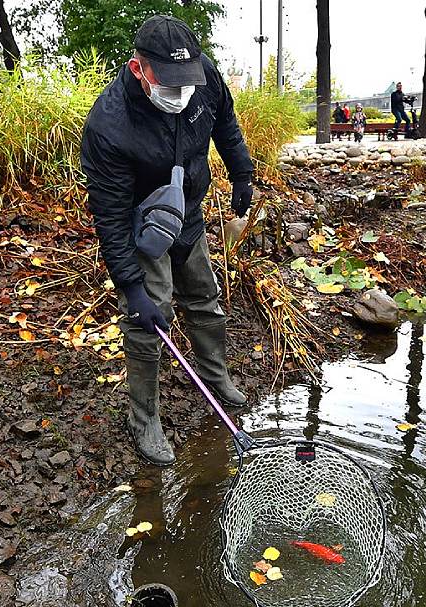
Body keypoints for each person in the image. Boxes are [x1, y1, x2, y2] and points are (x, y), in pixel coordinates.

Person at [80, 15, 254, 466]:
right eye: (170, 83)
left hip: (189, 209)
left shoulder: (205, 77)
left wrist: (242, 173)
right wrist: (131, 286)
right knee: (149, 316)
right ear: (139, 69)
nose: (181, 93)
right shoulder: (109, 125)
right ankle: (145, 418)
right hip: (144, 224)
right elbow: (111, 216)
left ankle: (216, 376)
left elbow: (226, 126)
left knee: (205, 296)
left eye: (187, 82)